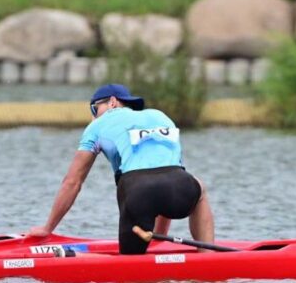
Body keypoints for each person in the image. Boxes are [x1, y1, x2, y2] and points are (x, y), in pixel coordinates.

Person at [29, 84, 215, 254]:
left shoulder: (97, 125)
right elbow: (169, 172)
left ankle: (69, 256)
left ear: (112, 102)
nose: (93, 116)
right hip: (179, 186)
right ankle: (208, 256)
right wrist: (158, 240)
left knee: (131, 272)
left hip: (137, 191)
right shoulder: (160, 116)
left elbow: (73, 182)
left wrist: (47, 228)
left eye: (94, 109)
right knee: (199, 188)